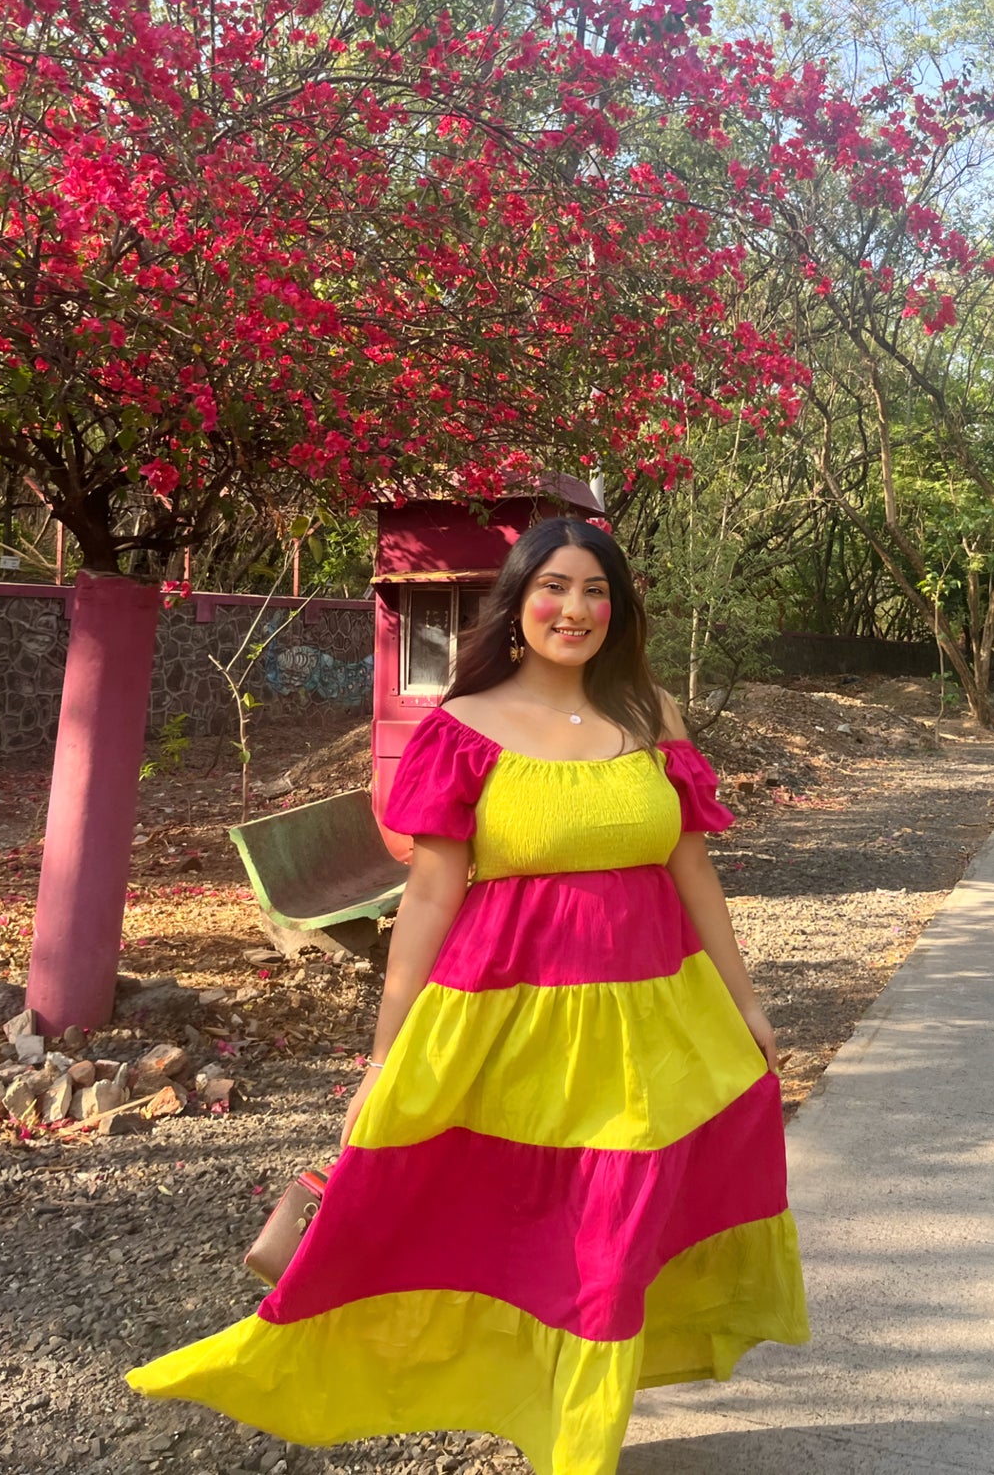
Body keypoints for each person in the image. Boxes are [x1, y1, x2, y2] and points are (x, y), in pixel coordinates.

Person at [127, 515, 809, 1474]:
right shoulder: (464, 726)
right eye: (555, 588)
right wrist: (386, 1055)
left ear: (620, 609)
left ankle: (582, 1435)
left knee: (617, 1215)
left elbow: (691, 870)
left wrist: (746, 1003)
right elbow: (432, 894)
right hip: (507, 1014)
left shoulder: (651, 713)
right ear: (517, 602)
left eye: (596, 591)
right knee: (511, 1213)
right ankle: (543, 1412)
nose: (575, 610)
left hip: (651, 1019)